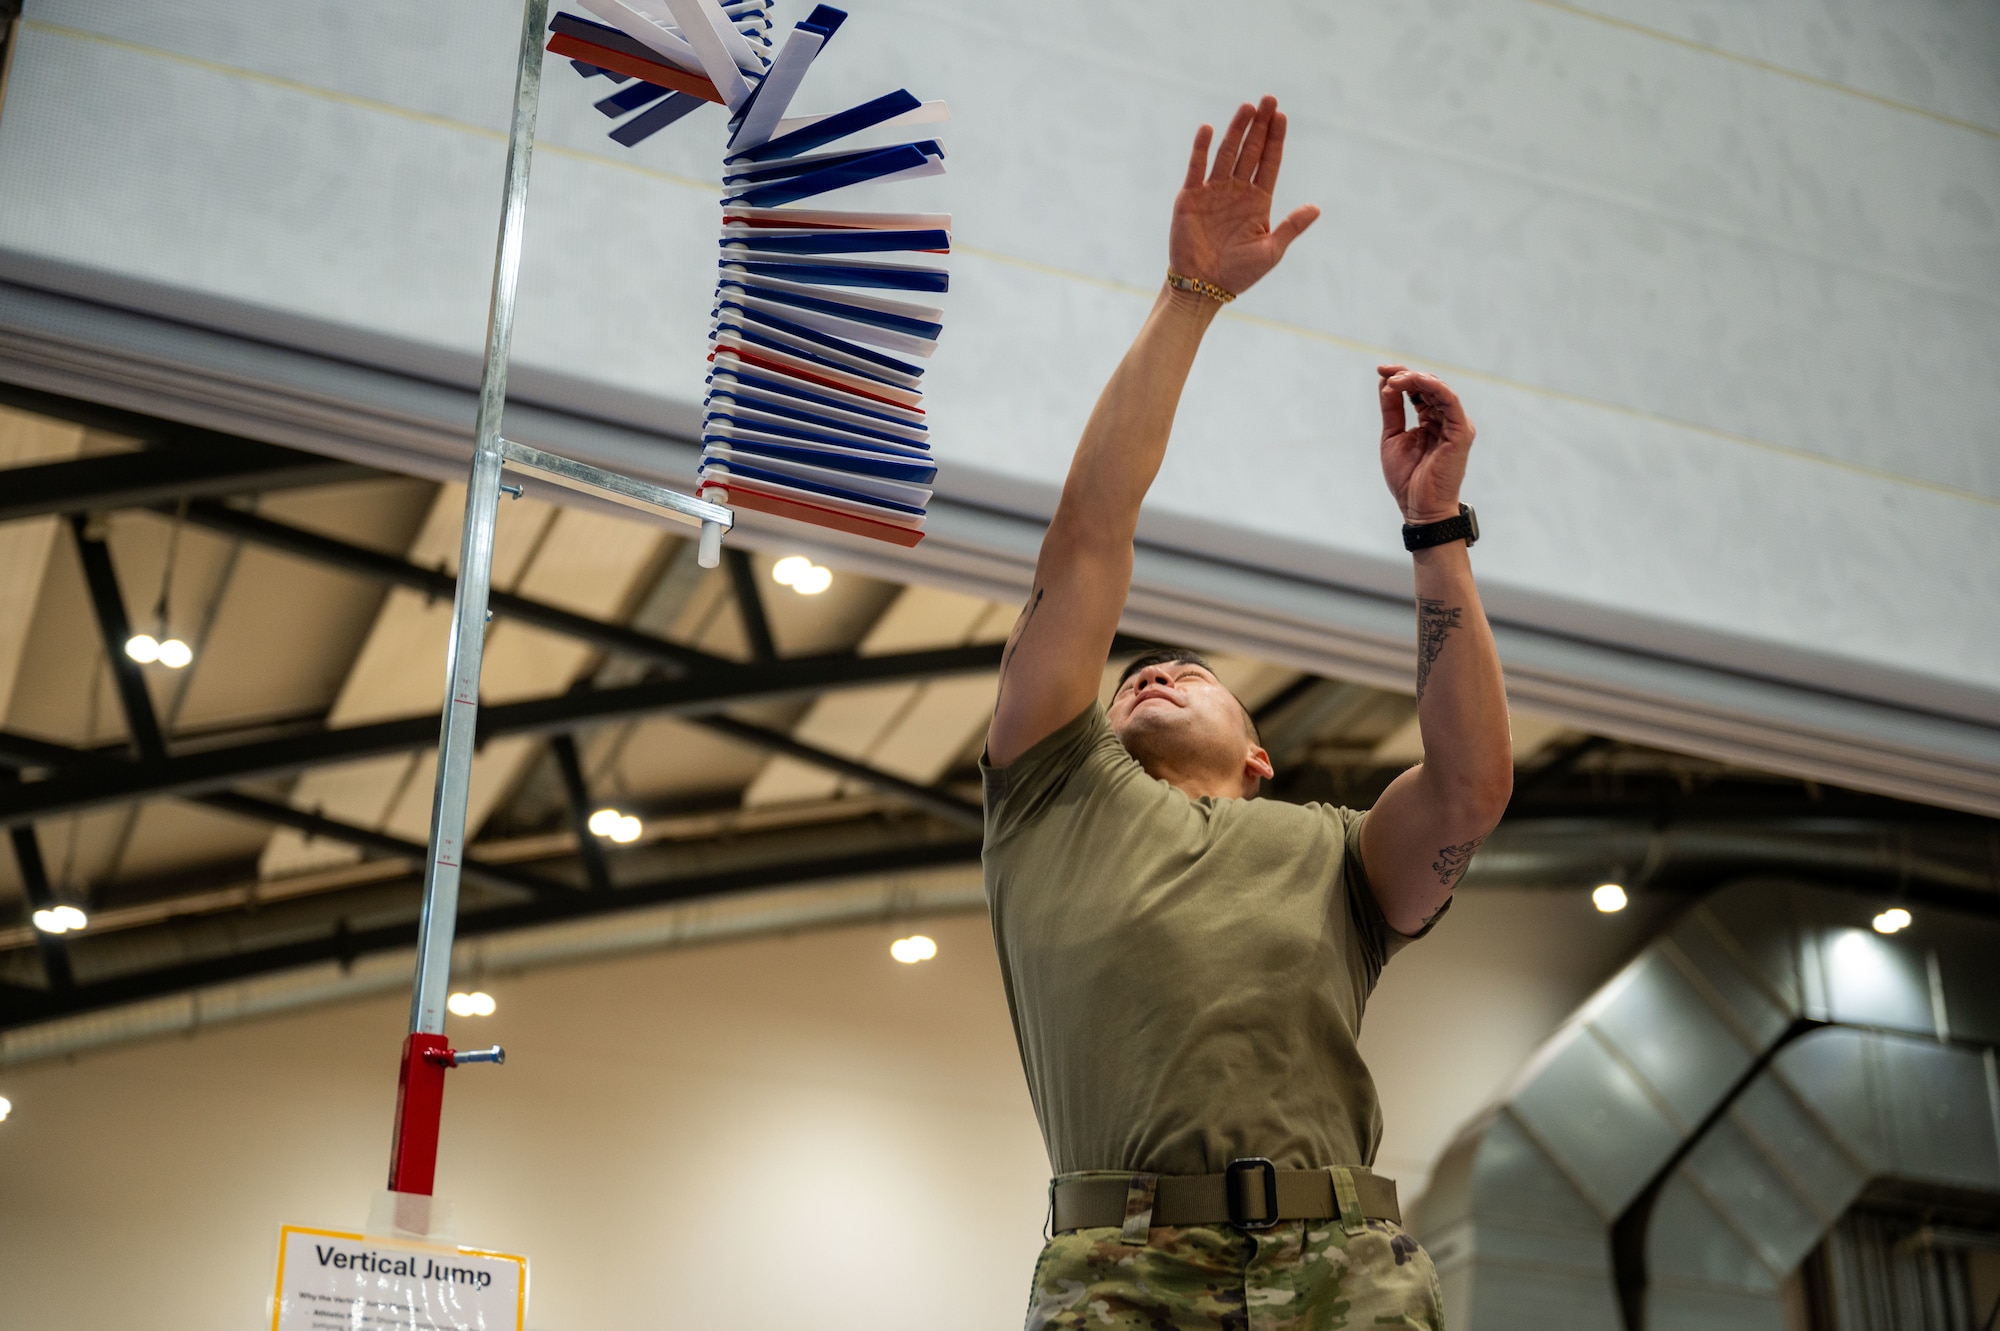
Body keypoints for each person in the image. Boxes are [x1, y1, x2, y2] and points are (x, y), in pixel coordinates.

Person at [981, 94, 1514, 1330]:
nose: (1149, 673)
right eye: (1130, 677)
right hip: (1120, 1270)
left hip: (1343, 1264)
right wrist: (1190, 293)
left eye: (1187, 670)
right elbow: (1088, 542)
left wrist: (1435, 528)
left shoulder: (1332, 852)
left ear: (1260, 756)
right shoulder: (1051, 793)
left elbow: (1469, 788)